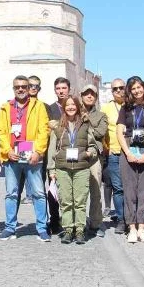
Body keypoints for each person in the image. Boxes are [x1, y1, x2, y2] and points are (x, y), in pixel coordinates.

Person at [0, 75, 51, 242]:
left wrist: (39, 151)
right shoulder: (6, 107)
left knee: (39, 193)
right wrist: (6, 150)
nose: (20, 89)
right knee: (11, 194)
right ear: (13, 89)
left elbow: (44, 130)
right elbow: (2, 132)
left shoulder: (39, 106)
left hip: (32, 157)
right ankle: (9, 227)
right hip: (12, 157)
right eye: (17, 87)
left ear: (29, 89)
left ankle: (42, 227)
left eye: (24, 86)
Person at [47, 95, 98, 244]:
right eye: (67, 105)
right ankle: (68, 229)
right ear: (63, 107)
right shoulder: (58, 126)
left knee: (80, 201)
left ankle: (80, 230)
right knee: (66, 201)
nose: (70, 107)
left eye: (73, 105)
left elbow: (93, 145)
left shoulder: (84, 124)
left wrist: (89, 153)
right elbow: (52, 149)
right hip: (62, 168)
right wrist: (52, 170)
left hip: (81, 167)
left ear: (77, 106)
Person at [117, 76, 144, 244]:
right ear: (130, 91)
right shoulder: (125, 109)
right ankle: (132, 228)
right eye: (133, 88)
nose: (136, 91)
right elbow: (119, 132)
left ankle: (142, 227)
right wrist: (127, 153)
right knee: (129, 191)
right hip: (129, 147)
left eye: (139, 87)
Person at [79, 84, 107, 237]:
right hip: (78, 155)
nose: (89, 96)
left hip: (95, 157)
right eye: (86, 94)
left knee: (95, 190)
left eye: (92, 94)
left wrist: (87, 122)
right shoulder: (75, 111)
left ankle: (96, 223)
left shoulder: (101, 115)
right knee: (79, 191)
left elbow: (100, 133)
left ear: (96, 97)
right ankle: (80, 223)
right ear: (81, 96)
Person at [45, 77, 71, 234]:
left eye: (64, 88)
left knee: (71, 189)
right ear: (55, 90)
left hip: (73, 153)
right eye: (58, 88)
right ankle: (54, 220)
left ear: (69, 89)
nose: (61, 91)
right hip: (55, 153)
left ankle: (71, 220)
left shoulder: (75, 105)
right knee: (53, 188)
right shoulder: (50, 108)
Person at [101, 78, 126, 233]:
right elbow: (101, 131)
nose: (118, 91)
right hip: (114, 153)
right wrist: (106, 148)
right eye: (115, 89)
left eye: (121, 87)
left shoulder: (131, 105)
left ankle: (133, 218)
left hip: (131, 152)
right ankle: (121, 219)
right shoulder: (106, 108)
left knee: (131, 188)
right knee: (118, 188)